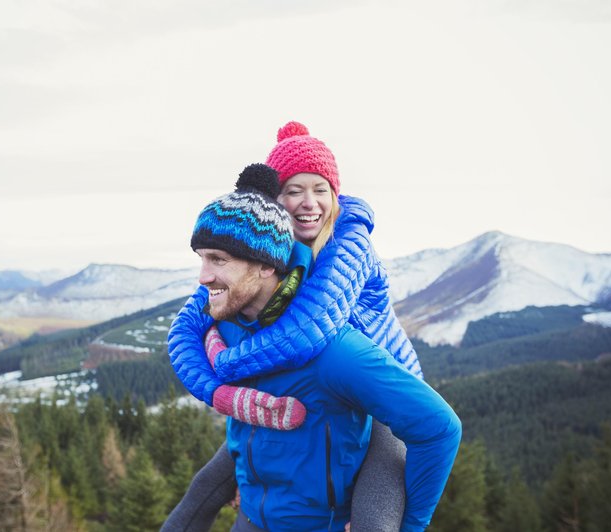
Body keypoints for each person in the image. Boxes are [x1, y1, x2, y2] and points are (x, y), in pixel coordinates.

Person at [170, 163, 460, 531]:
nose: (203, 277)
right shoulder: (227, 323)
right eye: (202, 259)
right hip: (251, 519)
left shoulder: (333, 351)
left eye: (218, 260)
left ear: (265, 266)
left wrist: (411, 525)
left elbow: (439, 428)